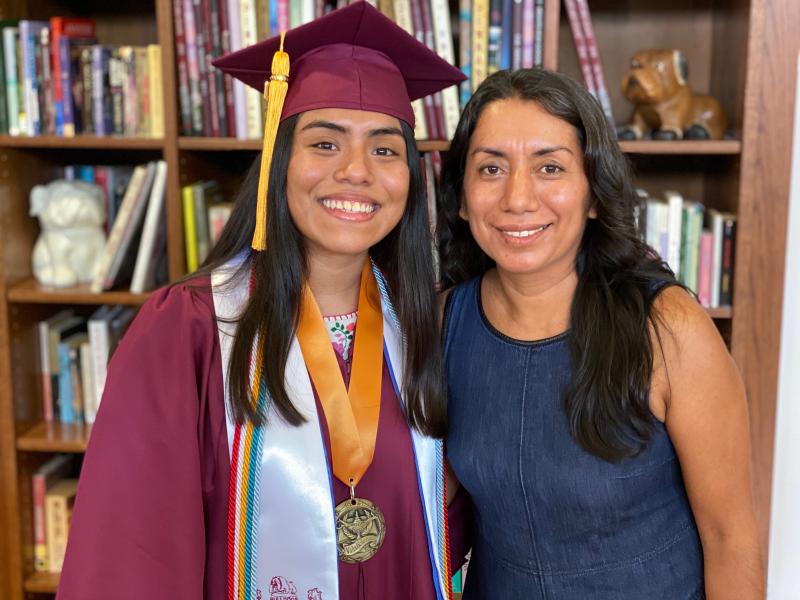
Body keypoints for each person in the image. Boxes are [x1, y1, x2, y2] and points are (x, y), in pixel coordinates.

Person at [57, 4, 467, 600]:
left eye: (384, 150)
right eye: (325, 143)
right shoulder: (191, 329)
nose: (356, 172)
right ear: (279, 162)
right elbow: (132, 554)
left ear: (411, 174)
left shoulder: (430, 321)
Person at [439, 68, 763, 599]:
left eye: (550, 167)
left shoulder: (667, 327)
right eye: (491, 168)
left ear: (593, 193)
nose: (518, 198)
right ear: (461, 196)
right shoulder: (443, 323)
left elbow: (731, 539)